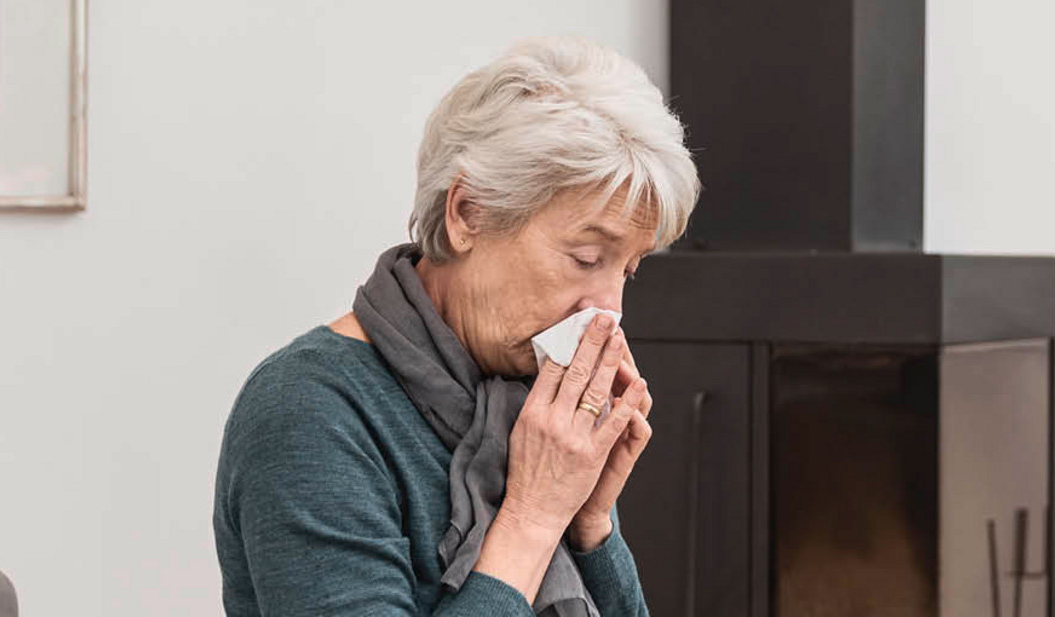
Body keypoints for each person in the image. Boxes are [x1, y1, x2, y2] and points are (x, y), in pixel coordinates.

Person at [213, 35, 700, 616]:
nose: (608, 308)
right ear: (469, 212)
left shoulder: (531, 406)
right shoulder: (308, 411)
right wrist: (533, 516)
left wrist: (590, 524)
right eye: (587, 259)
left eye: (629, 269)